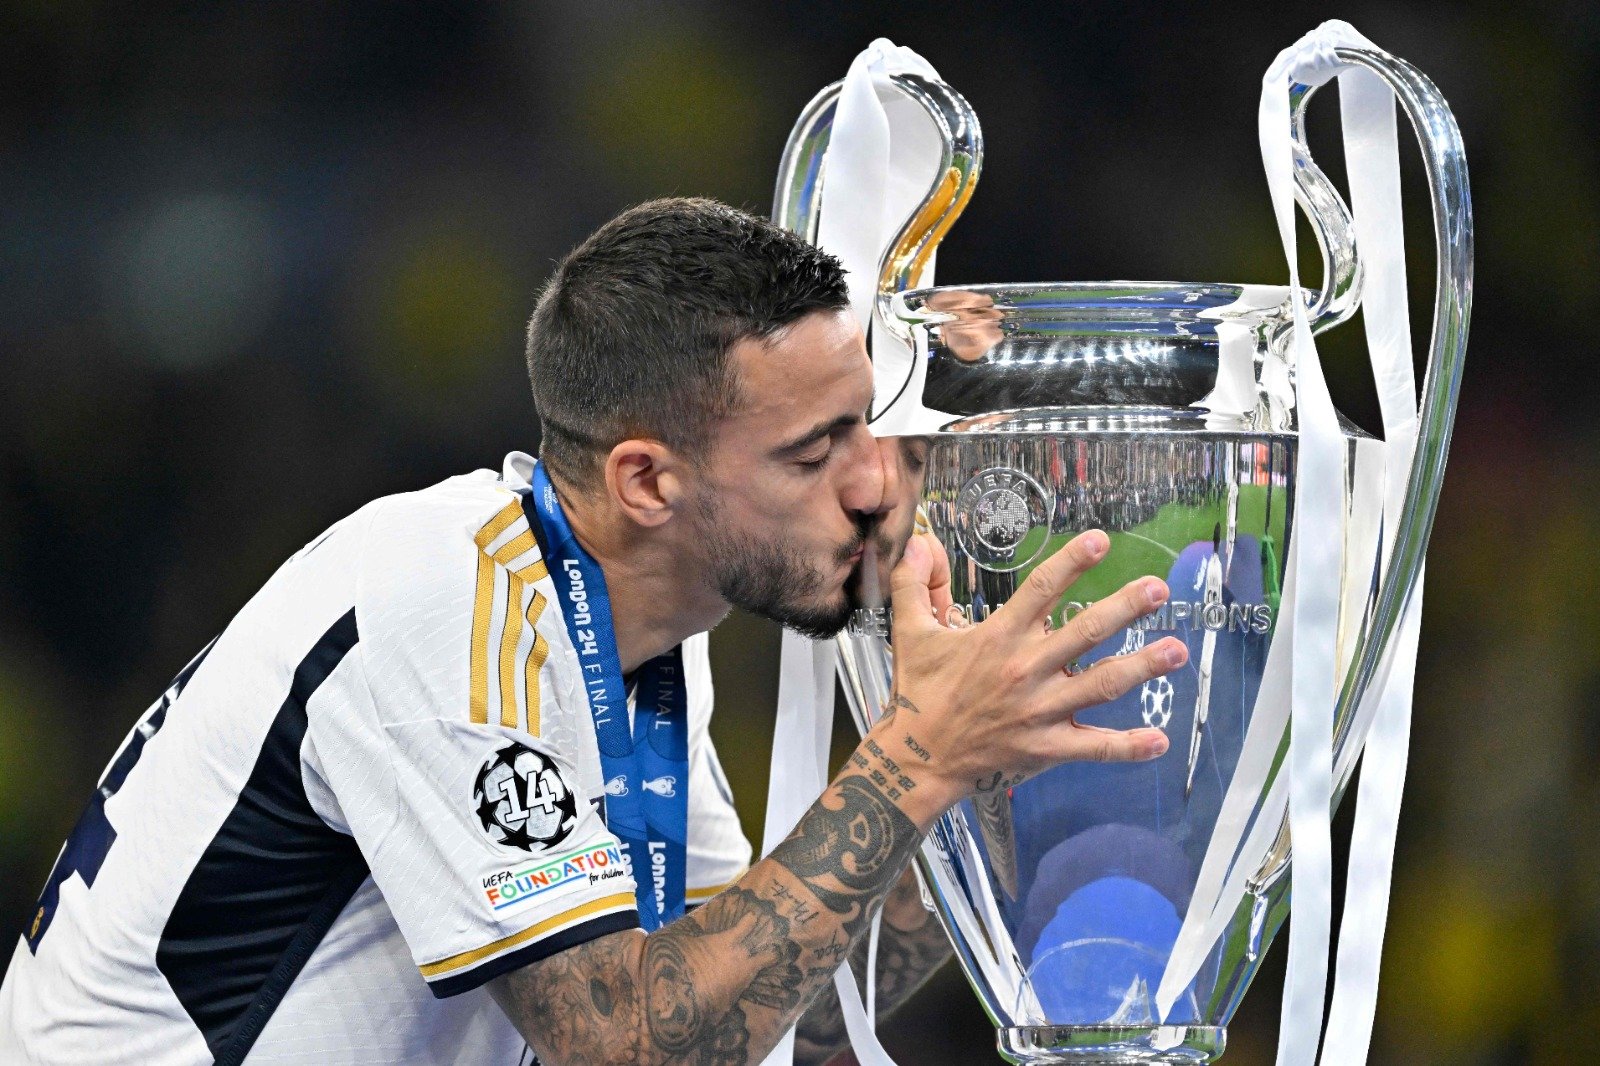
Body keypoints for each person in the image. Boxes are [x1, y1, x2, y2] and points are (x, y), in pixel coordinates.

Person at [0, 198, 1187, 1066]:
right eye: (813, 450)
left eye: (863, 431)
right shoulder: (444, 602)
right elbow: (628, 1046)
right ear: (646, 481)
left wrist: (979, 776)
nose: (876, 485)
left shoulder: (639, 644)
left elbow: (778, 1019)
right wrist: (915, 755)